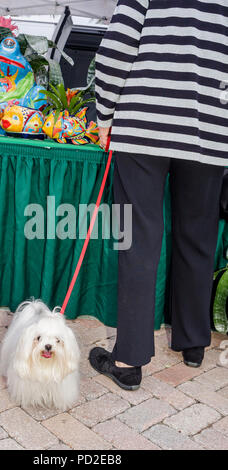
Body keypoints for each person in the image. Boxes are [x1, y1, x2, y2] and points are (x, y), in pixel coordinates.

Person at [89, 0, 228, 390]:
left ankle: (129, 360)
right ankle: (193, 342)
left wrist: (103, 116)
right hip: (210, 128)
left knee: (138, 241)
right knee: (198, 238)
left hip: (144, 125)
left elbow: (116, 48)